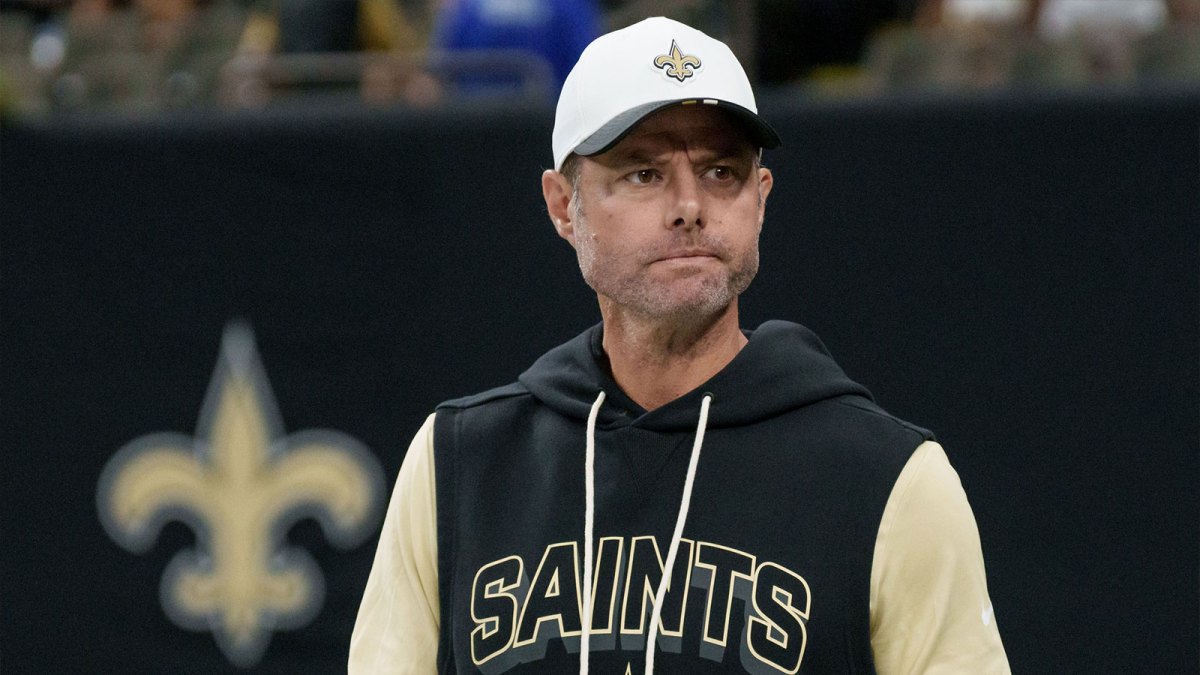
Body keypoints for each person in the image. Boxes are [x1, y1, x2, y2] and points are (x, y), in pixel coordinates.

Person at [349, 16, 1010, 674]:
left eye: (721, 171)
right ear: (562, 205)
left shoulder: (890, 478)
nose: (690, 205)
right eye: (644, 173)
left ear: (761, 199)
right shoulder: (459, 462)